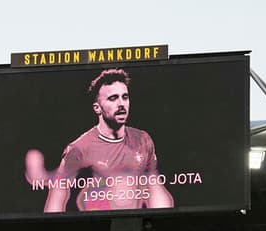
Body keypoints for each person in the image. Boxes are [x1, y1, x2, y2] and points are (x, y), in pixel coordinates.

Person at [26, 68, 173, 213]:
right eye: (113, 98)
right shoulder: (78, 149)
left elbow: (155, 186)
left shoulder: (143, 140)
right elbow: (57, 198)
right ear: (97, 108)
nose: (121, 104)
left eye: (125, 97)